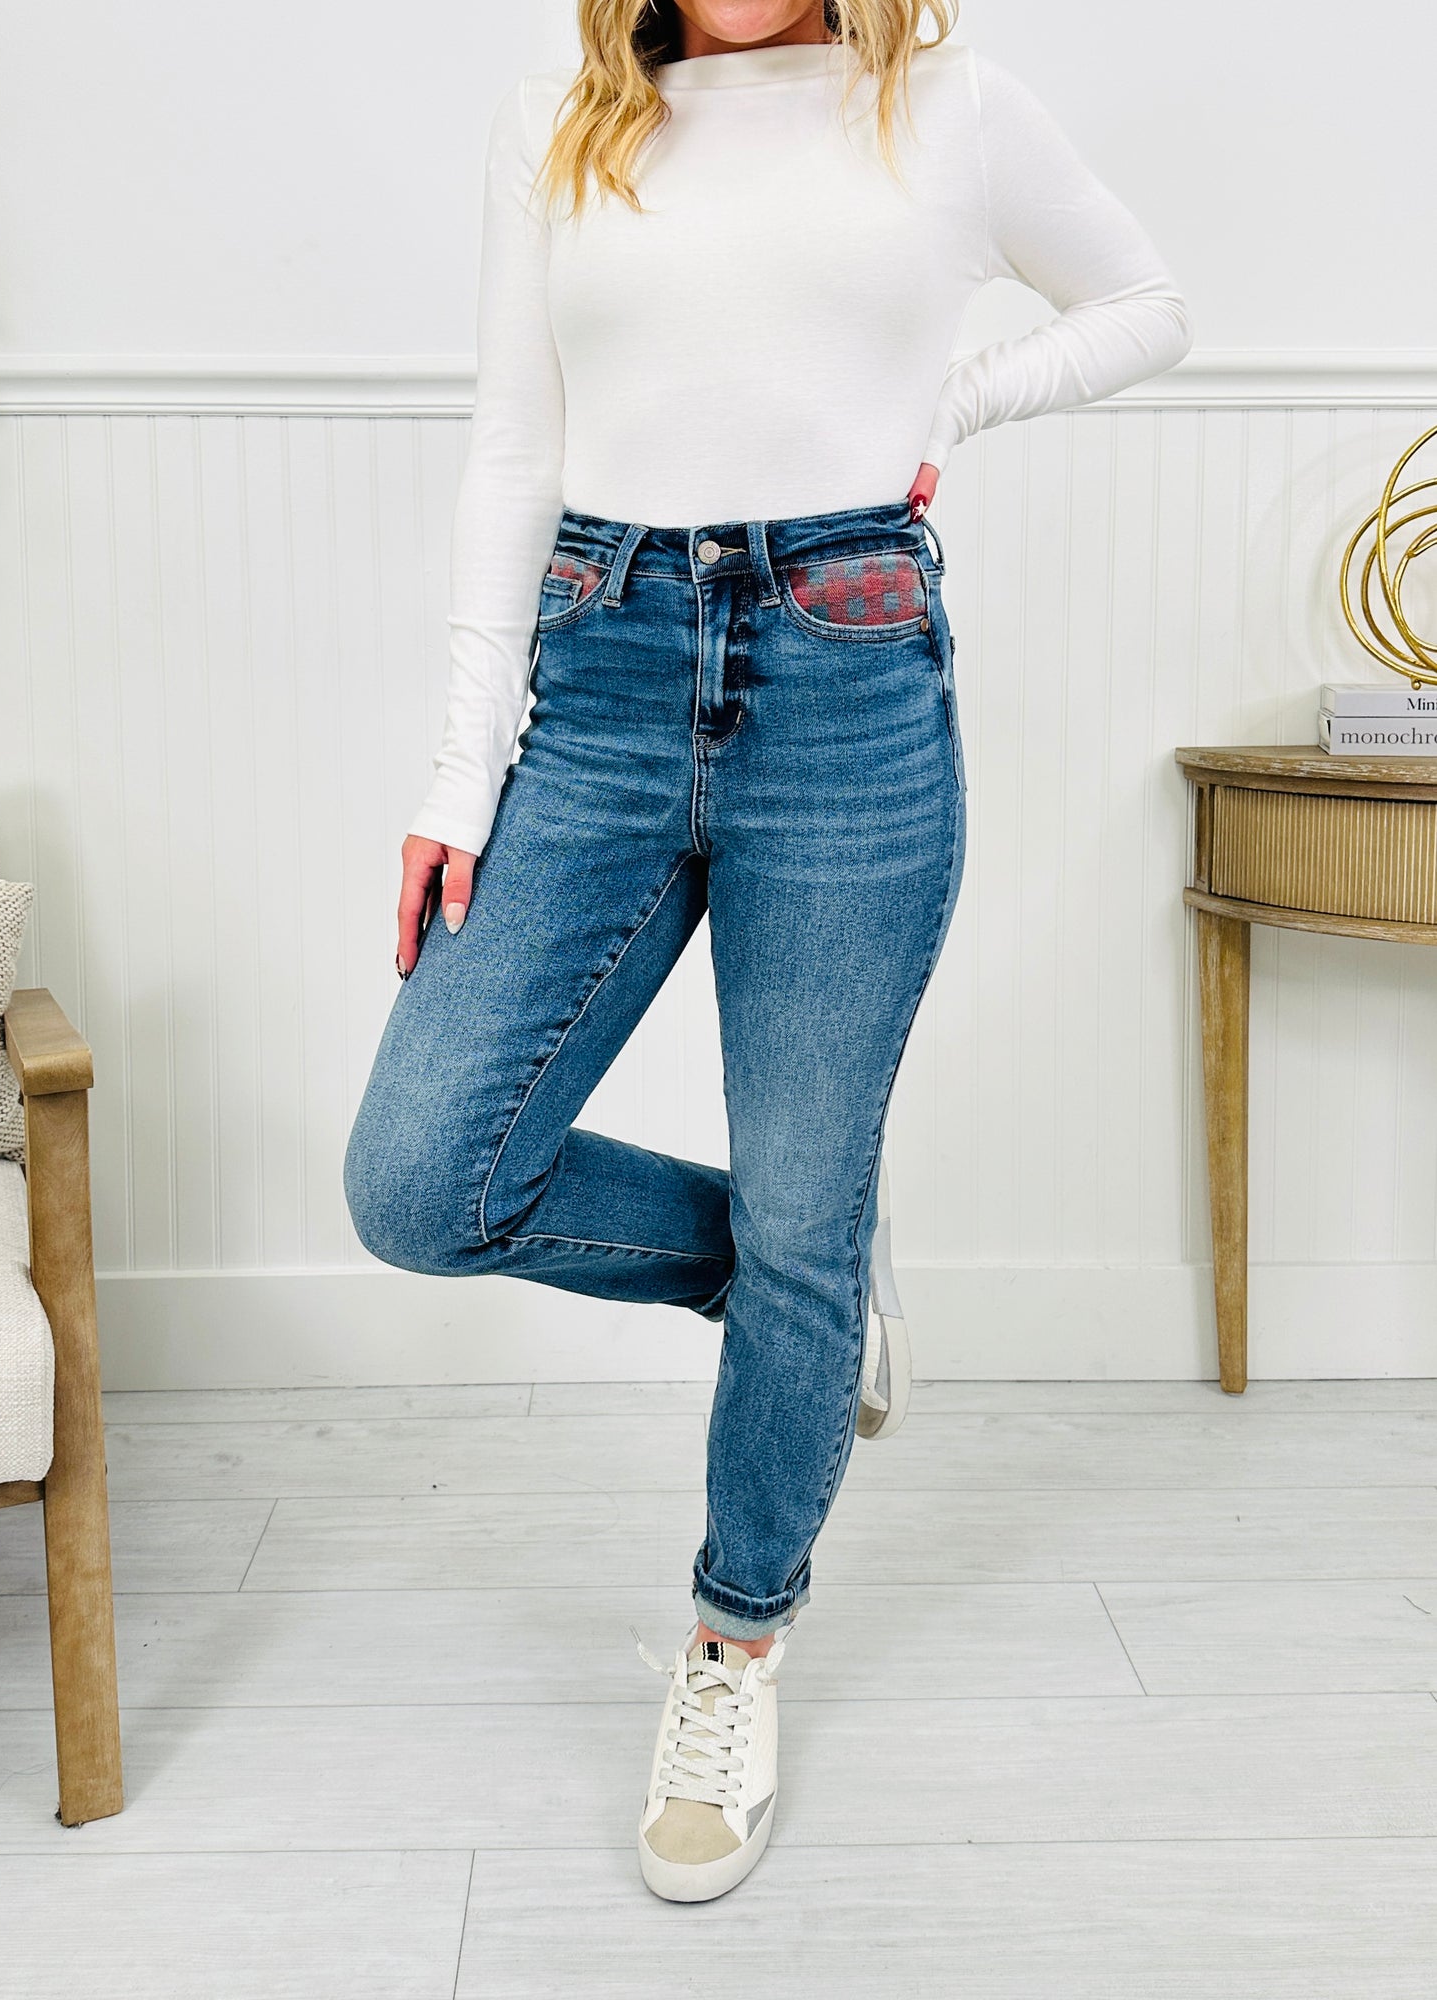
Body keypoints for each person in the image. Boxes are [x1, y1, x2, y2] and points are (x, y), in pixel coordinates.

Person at [344, 0, 1191, 1903]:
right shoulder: (564, 122)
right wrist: (457, 777)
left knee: (813, 1205)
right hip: (602, 671)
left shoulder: (950, 105)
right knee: (421, 1180)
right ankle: (807, 1284)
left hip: (850, 673)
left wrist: (949, 407)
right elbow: (511, 450)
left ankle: (733, 1643)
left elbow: (1150, 304)